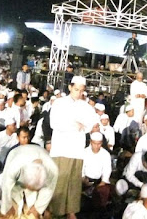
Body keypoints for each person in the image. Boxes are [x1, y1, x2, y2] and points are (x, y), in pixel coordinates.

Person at [48, 75, 98, 219]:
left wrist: (82, 125)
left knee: (74, 181)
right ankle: (54, 211)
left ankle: (71, 211)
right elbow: (54, 123)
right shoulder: (59, 103)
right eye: (76, 90)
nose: (79, 93)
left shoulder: (86, 106)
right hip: (61, 148)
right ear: (70, 87)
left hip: (77, 149)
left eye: (81, 90)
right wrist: (74, 124)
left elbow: (91, 123)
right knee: (60, 179)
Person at [0, 144, 58, 219]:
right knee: (9, 213)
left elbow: (49, 189)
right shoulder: (14, 167)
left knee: (31, 213)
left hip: (39, 158)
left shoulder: (52, 170)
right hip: (16, 155)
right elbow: (6, 187)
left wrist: (38, 208)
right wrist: (6, 208)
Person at [81, 131, 112, 209]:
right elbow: (81, 168)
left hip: (99, 182)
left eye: (99, 144)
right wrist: (83, 179)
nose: (97, 146)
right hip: (85, 181)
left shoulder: (105, 154)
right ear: (91, 142)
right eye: (95, 143)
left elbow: (107, 170)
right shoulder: (84, 152)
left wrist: (103, 182)